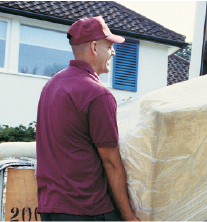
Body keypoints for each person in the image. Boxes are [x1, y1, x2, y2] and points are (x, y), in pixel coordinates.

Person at [36, 16, 141, 222]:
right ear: (95, 47)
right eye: (109, 45)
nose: (113, 52)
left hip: (51, 208)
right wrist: (128, 216)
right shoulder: (97, 93)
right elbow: (110, 161)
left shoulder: (52, 85)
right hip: (86, 209)